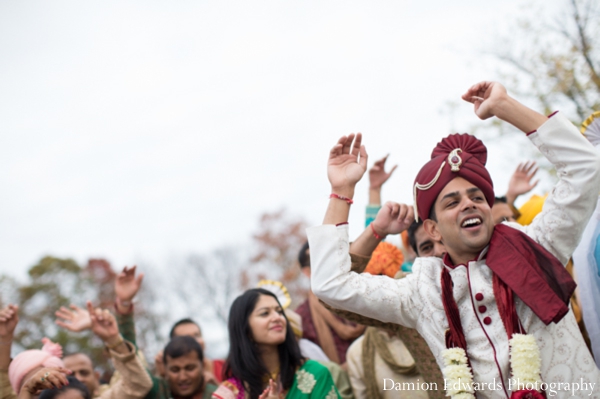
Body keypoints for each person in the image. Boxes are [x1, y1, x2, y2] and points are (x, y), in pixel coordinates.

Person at [309, 81, 600, 398]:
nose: (469, 204)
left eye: (476, 196)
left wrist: (505, 107)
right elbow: (330, 284)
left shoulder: (539, 245)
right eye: (452, 202)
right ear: (433, 230)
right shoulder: (421, 291)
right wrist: (342, 192)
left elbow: (586, 167)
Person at [212, 288, 340, 399]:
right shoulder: (228, 394)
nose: (277, 317)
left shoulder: (315, 374)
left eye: (279, 311)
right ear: (245, 330)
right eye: (265, 313)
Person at [294, 243, 364, 365]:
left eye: (327, 258)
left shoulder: (361, 291)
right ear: (307, 271)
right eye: (317, 261)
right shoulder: (302, 316)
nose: (326, 264)